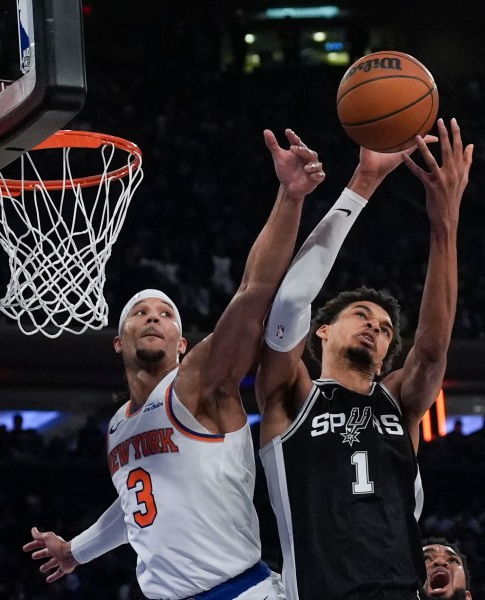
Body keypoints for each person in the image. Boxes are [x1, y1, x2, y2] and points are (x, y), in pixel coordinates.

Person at [23, 126, 327, 600]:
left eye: (165, 314)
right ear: (118, 343)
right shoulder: (117, 428)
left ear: (182, 343)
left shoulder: (199, 382)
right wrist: (76, 551)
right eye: (140, 313)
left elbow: (254, 292)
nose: (152, 317)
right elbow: (135, 508)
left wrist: (291, 196)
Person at [255, 117, 473, 600]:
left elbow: (433, 348)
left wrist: (445, 223)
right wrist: (364, 183)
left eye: (385, 327)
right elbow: (291, 301)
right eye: (361, 314)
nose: (375, 326)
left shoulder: (398, 400)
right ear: (323, 330)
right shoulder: (291, 396)